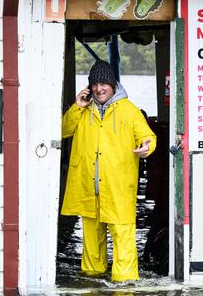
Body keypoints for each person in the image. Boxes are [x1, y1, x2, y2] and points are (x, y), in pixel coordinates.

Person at [61, 60, 157, 282]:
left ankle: (125, 285)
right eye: (94, 84)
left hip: (118, 188)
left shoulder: (130, 110)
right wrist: (76, 106)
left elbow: (148, 137)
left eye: (104, 83)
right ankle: (91, 282)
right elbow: (63, 130)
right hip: (88, 188)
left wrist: (146, 148)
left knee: (123, 238)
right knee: (91, 243)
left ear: (113, 85)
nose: (99, 88)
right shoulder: (83, 109)